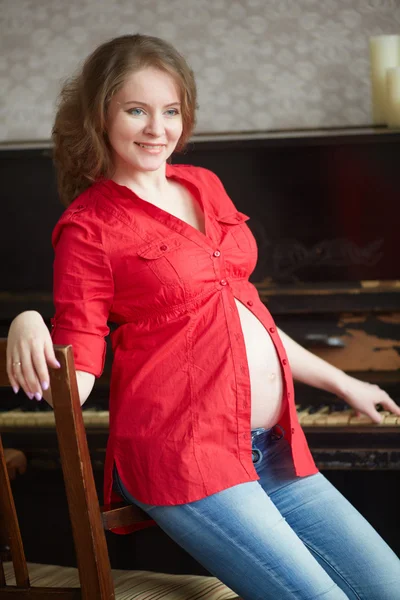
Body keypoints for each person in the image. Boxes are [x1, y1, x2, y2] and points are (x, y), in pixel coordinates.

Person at [6, 34, 400, 600]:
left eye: (170, 111)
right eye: (136, 110)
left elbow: (241, 311)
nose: (156, 129)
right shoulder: (87, 228)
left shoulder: (203, 184)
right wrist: (26, 321)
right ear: (101, 115)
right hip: (186, 460)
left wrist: (342, 380)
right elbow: (79, 378)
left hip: (272, 448)